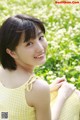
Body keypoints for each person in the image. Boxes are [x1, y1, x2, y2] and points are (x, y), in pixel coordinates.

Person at [0, 14, 76, 120]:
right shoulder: (37, 88)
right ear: (12, 52)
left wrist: (47, 90)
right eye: (29, 44)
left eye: (40, 38)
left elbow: (9, 107)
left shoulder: (2, 71)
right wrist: (62, 97)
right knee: (74, 98)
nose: (40, 48)